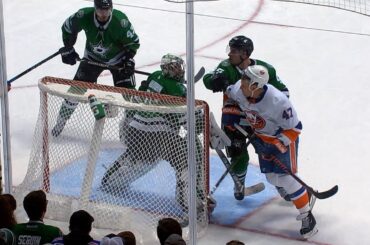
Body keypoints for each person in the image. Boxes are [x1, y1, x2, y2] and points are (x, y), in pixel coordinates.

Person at [100, 54, 206, 221]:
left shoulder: (155, 75)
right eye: (175, 68)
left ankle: (111, 180)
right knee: (187, 161)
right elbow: (191, 125)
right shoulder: (178, 90)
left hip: (136, 131)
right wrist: (199, 118)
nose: (179, 71)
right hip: (159, 135)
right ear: (167, 70)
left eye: (179, 67)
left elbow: (139, 94)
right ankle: (190, 205)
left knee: (141, 157)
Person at [225, 65, 317, 239]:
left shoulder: (278, 102)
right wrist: (230, 116)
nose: (241, 83)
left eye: (246, 81)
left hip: (282, 138)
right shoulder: (239, 88)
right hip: (261, 137)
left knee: (284, 178)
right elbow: (229, 95)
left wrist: (275, 145)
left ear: (255, 86)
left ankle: (307, 217)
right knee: (272, 178)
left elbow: (295, 129)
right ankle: (304, 192)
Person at [203, 35, 290, 201]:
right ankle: (239, 184)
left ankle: (282, 185)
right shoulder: (226, 66)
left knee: (269, 152)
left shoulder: (265, 70)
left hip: (258, 119)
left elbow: (284, 92)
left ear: (245, 54)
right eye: (230, 50)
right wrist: (215, 80)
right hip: (233, 117)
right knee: (239, 153)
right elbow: (208, 79)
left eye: (234, 51)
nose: (229, 54)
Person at [52, 0, 140, 137]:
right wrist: (68, 47)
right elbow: (68, 27)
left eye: (106, 10)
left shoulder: (120, 21)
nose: (103, 14)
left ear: (111, 8)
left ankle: (133, 131)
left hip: (118, 59)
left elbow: (133, 43)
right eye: (100, 11)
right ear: (95, 9)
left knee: (130, 96)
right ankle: (59, 124)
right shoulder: (84, 15)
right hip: (92, 57)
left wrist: (128, 60)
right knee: (74, 92)